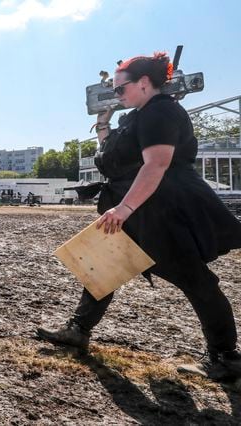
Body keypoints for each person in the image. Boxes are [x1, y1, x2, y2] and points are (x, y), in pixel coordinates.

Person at [37, 52, 241, 380]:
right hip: (143, 204)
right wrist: (103, 124)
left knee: (196, 280)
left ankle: (225, 357)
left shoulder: (161, 112)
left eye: (121, 89)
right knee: (102, 265)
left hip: (162, 207)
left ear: (144, 83)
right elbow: (114, 158)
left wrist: (124, 208)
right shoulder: (138, 116)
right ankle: (78, 329)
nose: (117, 96)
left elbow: (156, 164)